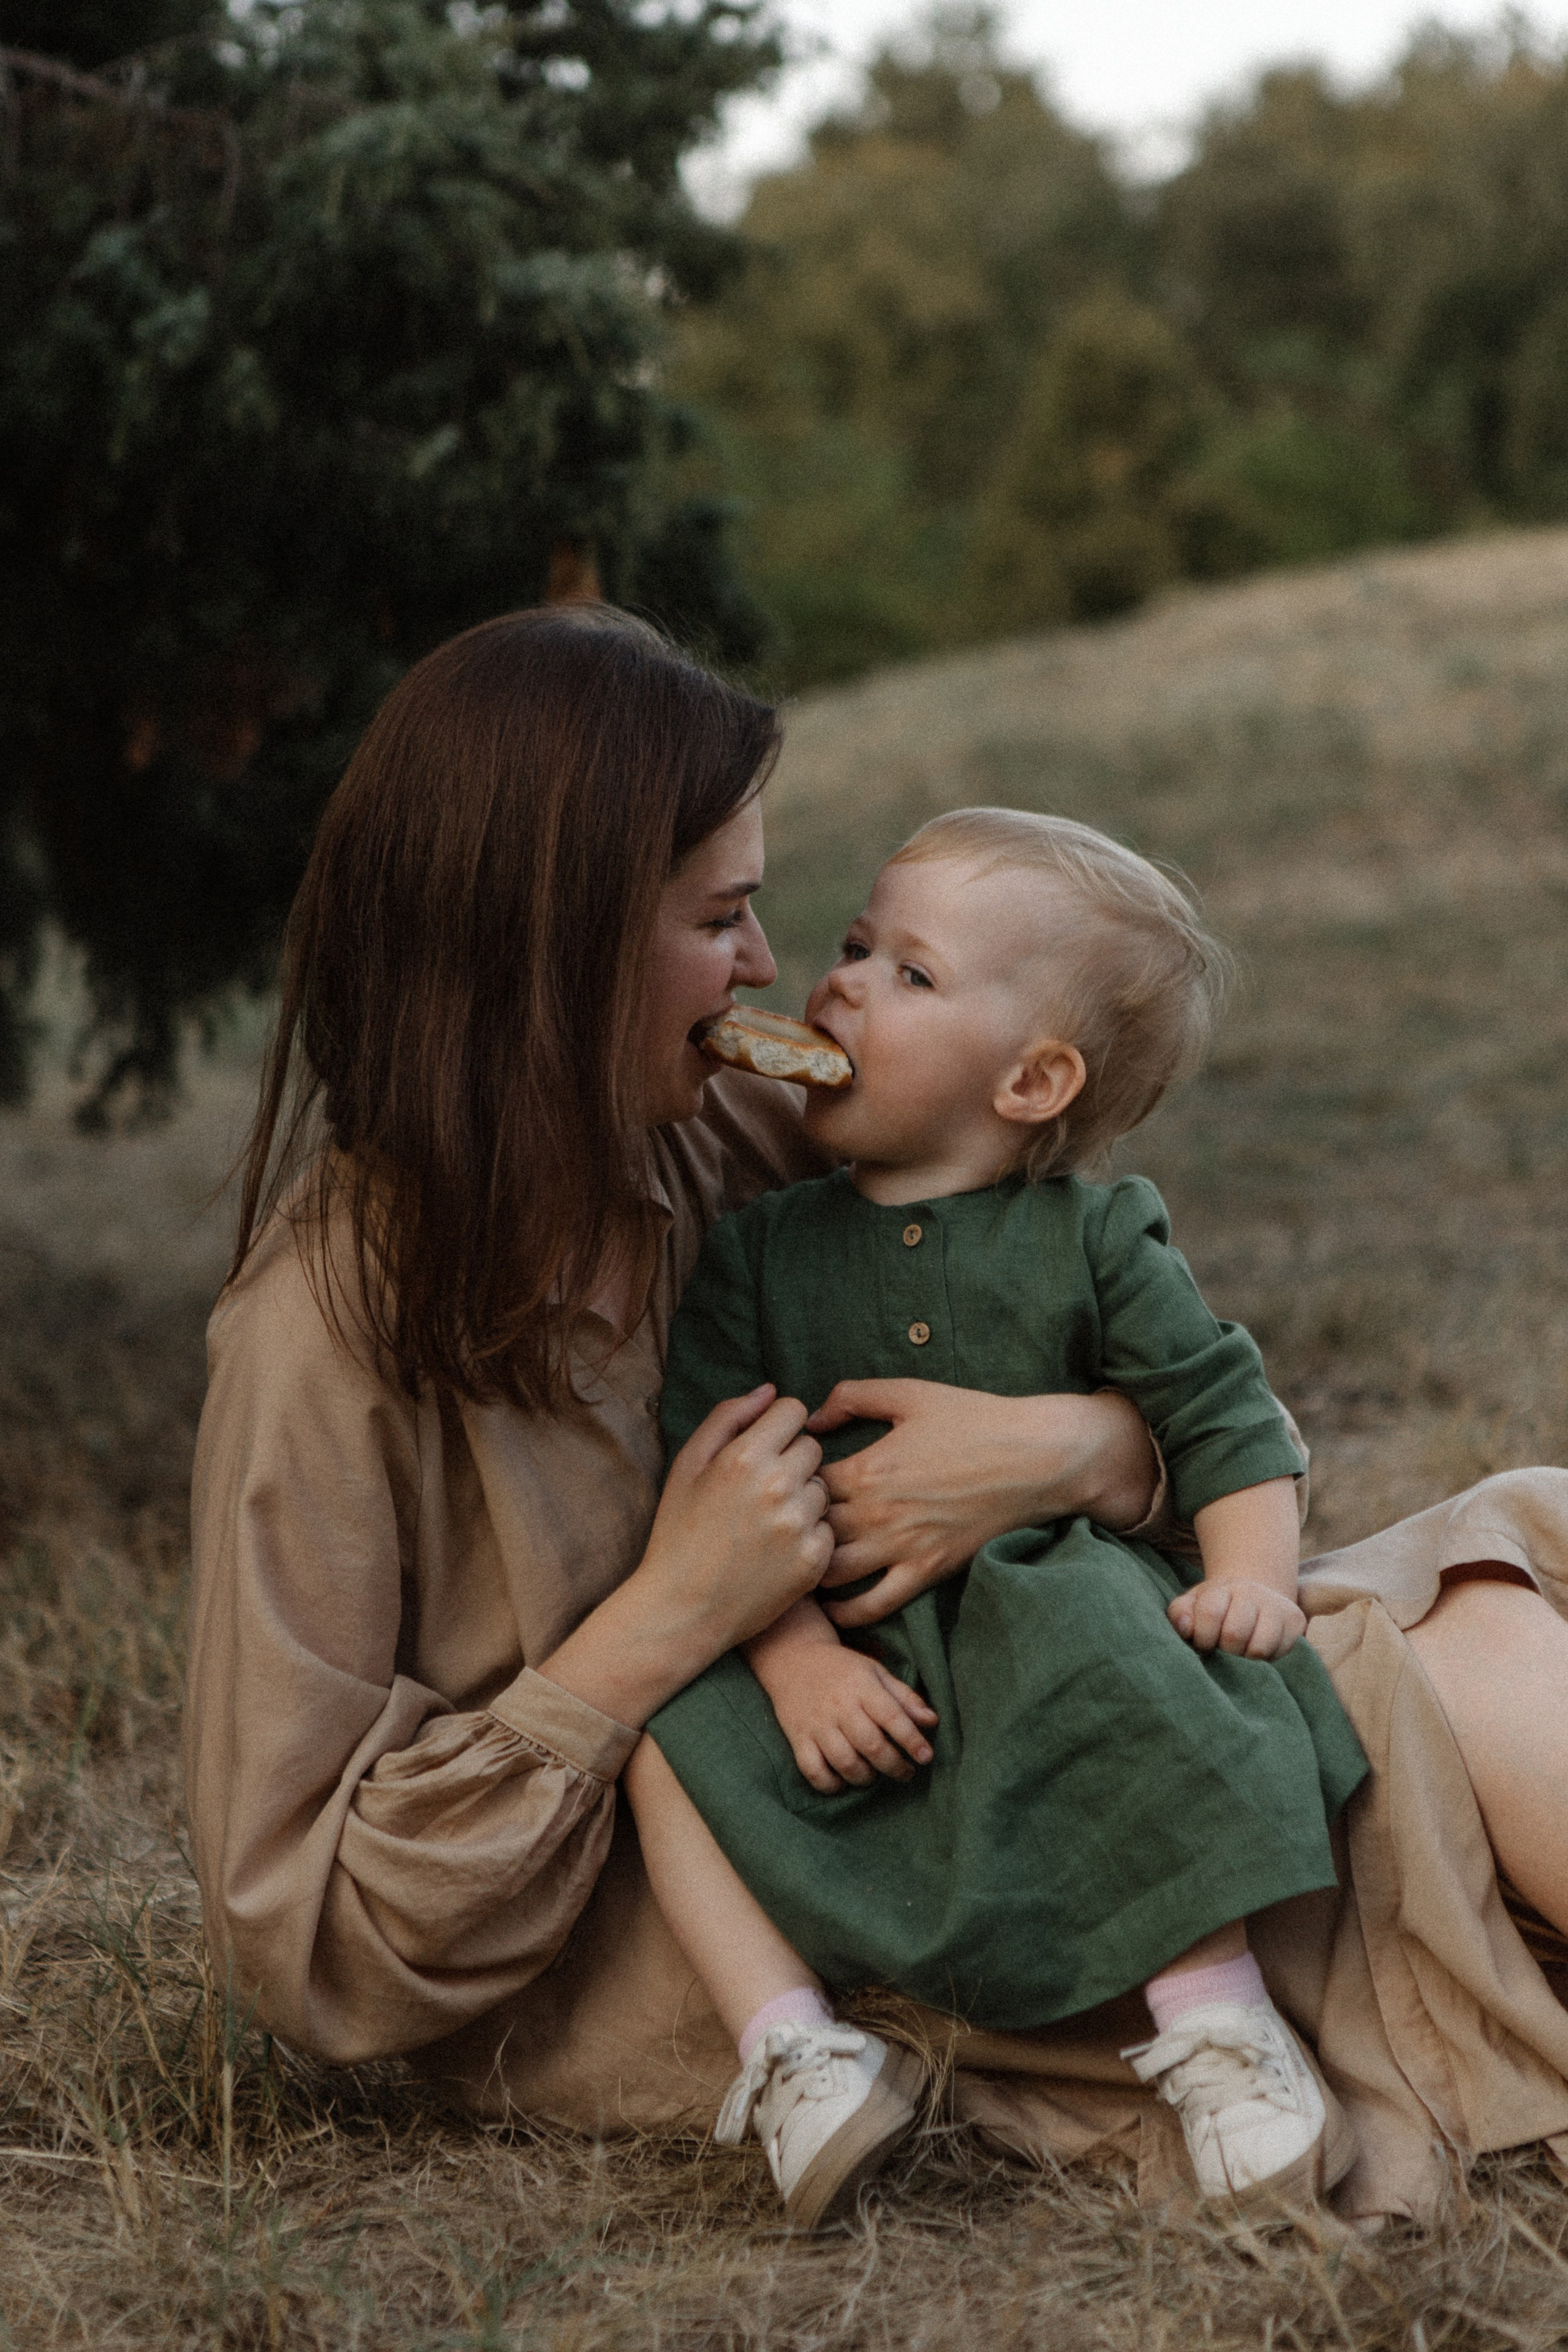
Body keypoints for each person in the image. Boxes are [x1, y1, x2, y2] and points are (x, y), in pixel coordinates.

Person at [186, 603, 1568, 2233]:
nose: (771, 970)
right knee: (1435, 1696)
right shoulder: (322, 1338)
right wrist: (673, 1617)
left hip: (1002, 1700)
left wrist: (1068, 1454)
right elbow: (307, 1936)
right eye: (723, 915)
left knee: (1491, 1568)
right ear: (550, 944)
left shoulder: (735, 1136)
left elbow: (1122, 1344)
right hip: (781, 1889)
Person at [631, 809, 1368, 2224]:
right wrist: (790, 1659)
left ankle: (1218, 2028)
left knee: (1113, 1642)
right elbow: (707, 1472)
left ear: (1030, 1079)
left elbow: (1224, 1412)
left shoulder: (1096, 1235)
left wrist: (1252, 1578)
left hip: (1046, 1627)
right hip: (852, 1654)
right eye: (853, 948)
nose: (836, 985)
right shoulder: (759, 1252)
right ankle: (794, 2051)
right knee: (664, 1742)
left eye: (907, 976)